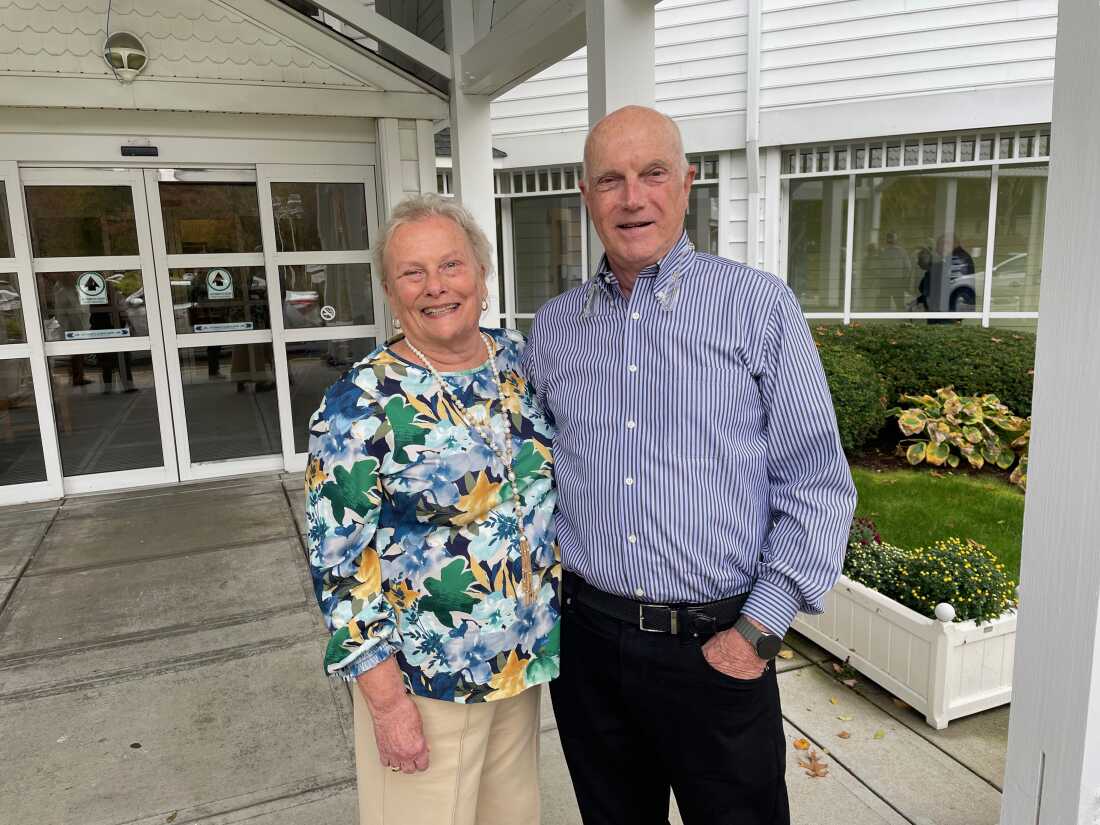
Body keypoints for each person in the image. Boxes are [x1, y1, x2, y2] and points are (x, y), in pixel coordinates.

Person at [523, 105, 856, 825]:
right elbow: (524, 474)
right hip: (590, 651)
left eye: (652, 173)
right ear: (586, 195)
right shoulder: (552, 330)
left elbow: (818, 486)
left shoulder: (758, 307)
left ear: (687, 184)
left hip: (719, 646)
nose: (631, 197)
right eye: (610, 179)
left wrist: (757, 635)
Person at [305, 193, 559, 825]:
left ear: (481, 274)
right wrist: (387, 704)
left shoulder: (520, 365)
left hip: (519, 672)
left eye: (451, 266)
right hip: (424, 685)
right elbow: (340, 569)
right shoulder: (359, 403)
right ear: (391, 293)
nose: (435, 287)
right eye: (412, 273)